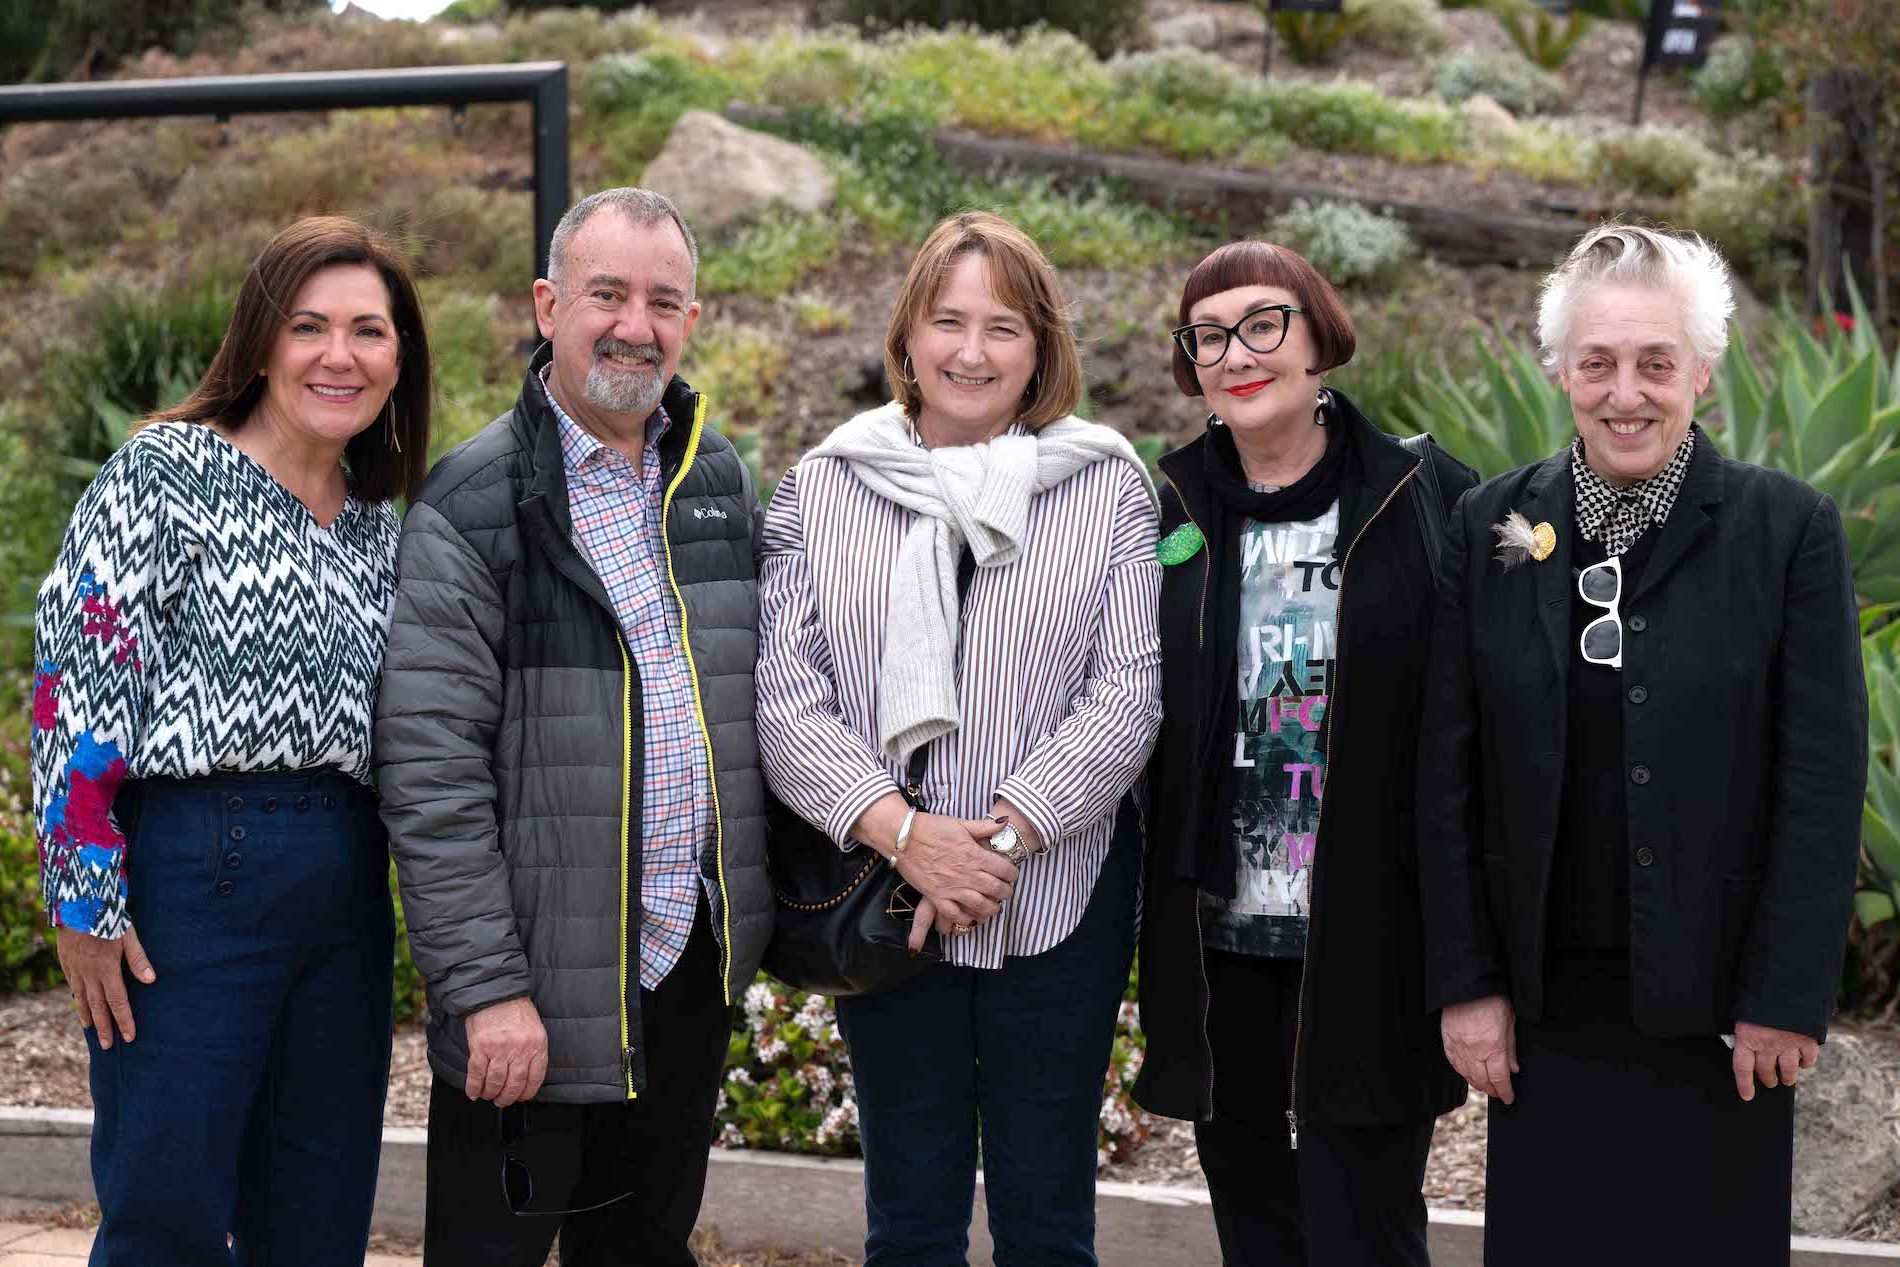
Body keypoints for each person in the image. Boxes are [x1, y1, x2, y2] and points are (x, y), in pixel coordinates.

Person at [1418, 223, 1867, 1265]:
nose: (1627, 391)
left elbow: (1821, 779)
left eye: (1655, 363)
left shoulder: (1787, 530)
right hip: (1543, 1012)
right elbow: (1446, 776)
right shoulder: (1489, 527)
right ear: (1559, 372)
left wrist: (1785, 997)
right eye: (1598, 362)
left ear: (1700, 372)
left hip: (1722, 1019)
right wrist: (1466, 983)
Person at [755, 210, 1162, 1266]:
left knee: (1046, 1222)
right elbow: (789, 701)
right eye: (948, 321)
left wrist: (1000, 842)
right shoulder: (822, 486)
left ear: (1042, 353)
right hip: (888, 904)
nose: (971, 352)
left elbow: (1126, 695)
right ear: (906, 336)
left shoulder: (1106, 485)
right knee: (910, 1219)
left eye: (1004, 328)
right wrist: (907, 838)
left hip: (1058, 899)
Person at [372, 187, 769, 1267]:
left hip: (681, 970)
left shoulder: (717, 482)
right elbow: (431, 770)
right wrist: (487, 987)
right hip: (533, 994)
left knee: (641, 1252)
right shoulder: (474, 500)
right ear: (549, 305)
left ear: (692, 321)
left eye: (663, 300)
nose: (635, 324)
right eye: (607, 293)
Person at [29, 215, 431, 1266]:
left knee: (317, 1219)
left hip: (346, 883)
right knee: (166, 1213)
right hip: (194, 874)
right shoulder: (163, 474)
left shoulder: (382, 520)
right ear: (260, 340)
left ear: (400, 358)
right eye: (309, 326)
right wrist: (84, 900)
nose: (339, 355)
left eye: (368, 331)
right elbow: (79, 688)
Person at [1131, 240, 1477, 1267]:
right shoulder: (1169, 507)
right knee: (1254, 1223)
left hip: (1371, 933)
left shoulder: (1424, 494)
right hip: (1218, 939)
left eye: (1263, 324)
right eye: (1208, 336)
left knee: (1363, 1227)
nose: (1236, 352)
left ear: (1319, 336)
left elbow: (1475, 715)